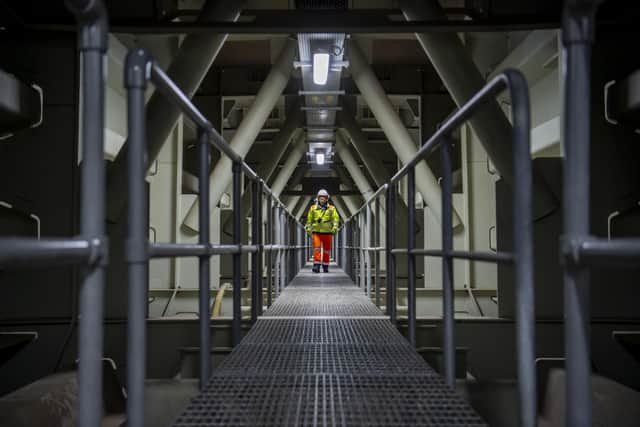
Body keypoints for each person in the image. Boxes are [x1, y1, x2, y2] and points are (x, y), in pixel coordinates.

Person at [305, 189, 340, 273]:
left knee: (326, 250)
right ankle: (316, 266)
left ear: (327, 198)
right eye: (321, 197)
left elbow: (336, 218)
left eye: (324, 197)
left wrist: (335, 228)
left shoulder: (332, 209)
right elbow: (309, 219)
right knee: (316, 249)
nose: (322, 199)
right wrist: (309, 229)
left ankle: (325, 266)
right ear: (318, 198)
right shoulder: (313, 208)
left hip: (327, 232)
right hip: (316, 231)